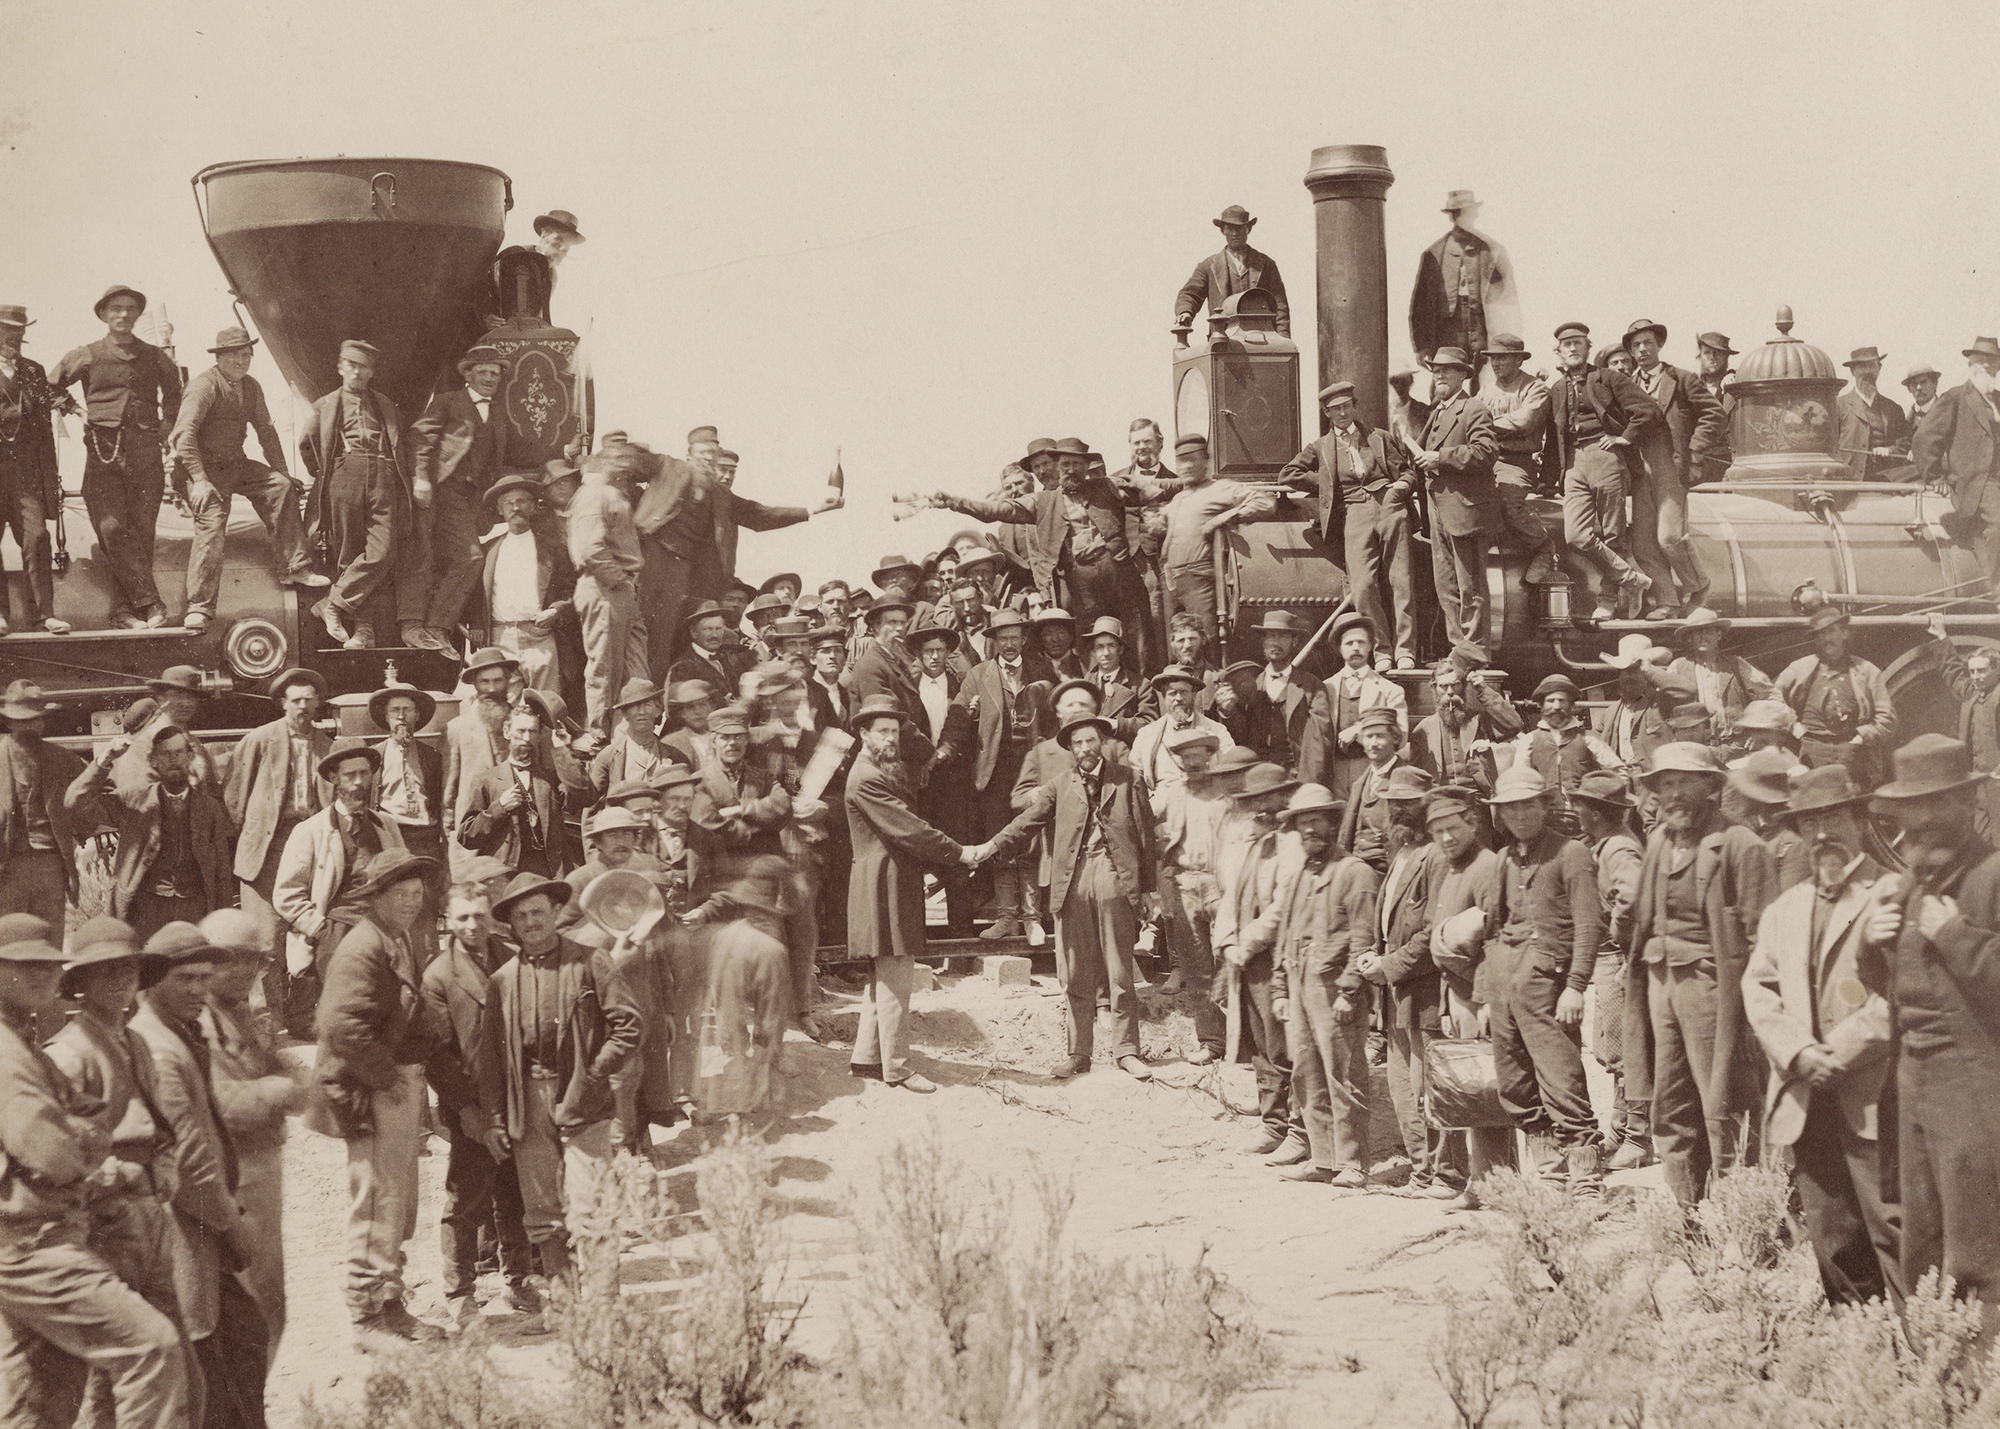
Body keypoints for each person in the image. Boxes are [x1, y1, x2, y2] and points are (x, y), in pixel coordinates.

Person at [0, 913, 191, 1428]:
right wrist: (95, 1150)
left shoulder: (26, 1043)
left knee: (42, 1399)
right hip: (35, 1242)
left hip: (49, 1232)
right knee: (151, 1349)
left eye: (48, 966)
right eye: (23, 966)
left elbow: (90, 1120)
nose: (41, 975)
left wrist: (83, 1136)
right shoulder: (18, 1052)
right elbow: (53, 1152)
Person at [1741, 765, 1901, 1308]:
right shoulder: (1784, 909)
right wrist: (1799, 1052)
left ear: (1859, 818)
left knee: (1894, 1227)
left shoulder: (1892, 893)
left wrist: (1841, 1052)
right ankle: (1856, 1341)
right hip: (1806, 1094)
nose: (1823, 833)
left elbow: (1904, 993)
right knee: (1833, 1235)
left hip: (1875, 1094)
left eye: (1833, 817)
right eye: (1810, 822)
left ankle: (1920, 1345)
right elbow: (1759, 988)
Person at [1860, 734, 2000, 1345]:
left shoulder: (1993, 876)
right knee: (1923, 1235)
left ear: (1965, 804)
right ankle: (1931, 1364)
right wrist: (1872, 945)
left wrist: (1957, 937)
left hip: (1977, 1086)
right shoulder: (1910, 885)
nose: (1920, 824)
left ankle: (1985, 1372)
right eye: (1910, 812)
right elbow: (1893, 988)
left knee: (1979, 1239)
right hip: (1914, 1082)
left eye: (1934, 806)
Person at [1623, 742, 1778, 1206]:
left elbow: (1765, 940)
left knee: (1725, 1104)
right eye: (1666, 784)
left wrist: (1751, 1017)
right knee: (1670, 1105)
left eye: (1684, 782)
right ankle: (1687, 1215)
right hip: (1661, 986)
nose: (1673, 794)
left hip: (1715, 991)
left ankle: (1741, 1216)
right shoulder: (1658, 842)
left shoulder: (1739, 844)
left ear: (1710, 787)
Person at [129, 921, 269, 1423]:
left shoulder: (180, 1033)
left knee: (245, 1342)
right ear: (152, 982)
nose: (198, 990)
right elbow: (189, 1163)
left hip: (201, 1231)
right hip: (184, 1235)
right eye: (184, 979)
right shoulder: (159, 1049)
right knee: (209, 1369)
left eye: (204, 978)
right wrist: (232, 1227)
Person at [474, 872, 639, 1289]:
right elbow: (490, 1057)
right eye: (521, 916)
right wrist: (494, 1118)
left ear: (555, 912)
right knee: (543, 1210)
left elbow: (629, 1025)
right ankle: (565, 1305)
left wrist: (595, 1072)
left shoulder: (591, 961)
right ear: (511, 925)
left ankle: (603, 1306)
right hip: (528, 1098)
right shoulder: (502, 980)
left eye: (538, 912)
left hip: (583, 1097)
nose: (531, 922)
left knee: (592, 1205)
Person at [313, 849, 445, 1344]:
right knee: (375, 1206)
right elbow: (340, 1025)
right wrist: (387, 1078)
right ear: (378, 897)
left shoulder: (394, 937)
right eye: (401, 893)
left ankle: (390, 1305)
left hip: (388, 1085)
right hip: (366, 1091)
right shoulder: (363, 946)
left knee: (396, 1205)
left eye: (417, 893)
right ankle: (367, 1320)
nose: (412, 901)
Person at [1004, 715, 1159, 1082]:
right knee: (1074, 971)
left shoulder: (1128, 779)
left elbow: (1146, 836)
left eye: (1090, 741)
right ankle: (1078, 1053)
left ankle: (1127, 1050)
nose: (1085, 749)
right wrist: (990, 847)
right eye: (1078, 744)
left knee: (1119, 970)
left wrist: (1148, 889)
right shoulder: (1060, 785)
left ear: (1101, 742)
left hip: (1113, 874)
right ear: (1071, 749)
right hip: (1072, 880)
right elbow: (1027, 822)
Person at [845, 696, 984, 1092]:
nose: (890, 738)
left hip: (886, 881)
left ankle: (867, 1057)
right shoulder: (867, 777)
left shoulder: (872, 770)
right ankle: (899, 1068)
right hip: (884, 884)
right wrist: (959, 852)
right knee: (896, 977)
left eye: (894, 731)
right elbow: (910, 829)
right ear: (864, 734)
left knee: (884, 975)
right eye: (881, 732)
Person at [1483, 765, 1606, 1199]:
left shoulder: (1571, 854)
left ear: (1545, 806)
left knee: (1562, 1079)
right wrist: (1490, 988)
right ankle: (1551, 1173)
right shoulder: (1504, 858)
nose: (1519, 815)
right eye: (1510, 808)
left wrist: (1575, 985)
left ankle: (1586, 1178)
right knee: (1515, 1083)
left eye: (1527, 805)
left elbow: (1589, 926)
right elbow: (1494, 926)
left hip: (1548, 986)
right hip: (1506, 983)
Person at [418, 884, 536, 1328]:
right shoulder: (438, 975)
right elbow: (438, 1055)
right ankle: (459, 1293)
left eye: (480, 916)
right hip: (471, 1104)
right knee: (466, 1199)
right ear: (448, 921)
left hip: (517, 1099)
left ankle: (518, 1279)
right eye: (463, 917)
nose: (472, 925)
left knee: (515, 1193)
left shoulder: (515, 956)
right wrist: (467, 1110)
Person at [197, 908, 307, 1366]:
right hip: (234, 1176)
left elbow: (289, 1078)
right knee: (251, 1307)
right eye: (231, 958)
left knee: (268, 1300)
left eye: (253, 960)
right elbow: (229, 1106)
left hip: (261, 1168)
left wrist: (284, 1083)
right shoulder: (200, 1022)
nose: (244, 969)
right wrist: (282, 1089)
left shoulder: (240, 1012)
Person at [171, 326, 321, 633]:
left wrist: (282, 471)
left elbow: (266, 430)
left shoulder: (251, 386)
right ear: (219, 357)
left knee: (280, 487)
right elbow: (183, 436)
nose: (242, 361)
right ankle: (199, 607)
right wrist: (199, 480)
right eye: (234, 355)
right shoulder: (204, 387)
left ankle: (294, 567)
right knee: (212, 526)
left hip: (234, 464)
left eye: (247, 355)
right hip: (201, 470)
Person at [1264, 783, 1379, 1187]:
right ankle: (1323, 1158)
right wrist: (1281, 988)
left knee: (1344, 1074)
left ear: (1333, 823)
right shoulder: (1300, 874)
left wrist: (1350, 990)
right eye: (1302, 823)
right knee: (1306, 1073)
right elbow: (1285, 934)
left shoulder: (1355, 872)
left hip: (1334, 989)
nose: (1309, 829)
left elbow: (1363, 938)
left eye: (1316, 821)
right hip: (1300, 984)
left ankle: (1353, 1163)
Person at [50, 286, 181, 630]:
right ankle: (150, 603)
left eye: (130, 309)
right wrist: (76, 410)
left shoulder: (154, 356)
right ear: (103, 315)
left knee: (142, 533)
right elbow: (48, 386)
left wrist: (166, 426)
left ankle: (123, 613)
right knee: (111, 528)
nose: (123, 314)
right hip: (102, 453)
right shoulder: (87, 354)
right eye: (116, 309)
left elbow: (175, 393)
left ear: (137, 315)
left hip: (146, 454)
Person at [1359, 765, 1452, 1196]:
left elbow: (1433, 932)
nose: (1398, 810)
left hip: (1427, 992)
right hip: (1397, 993)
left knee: (1426, 1088)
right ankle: (1422, 1171)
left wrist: (1390, 964)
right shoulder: (1401, 853)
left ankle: (1446, 1173)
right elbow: (1391, 921)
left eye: (1408, 804)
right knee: (1401, 1089)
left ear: (1427, 806)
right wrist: (1374, 953)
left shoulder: (1436, 856)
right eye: (1392, 803)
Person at [1278, 382, 1418, 668]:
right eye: (1335, 409)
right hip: (1354, 512)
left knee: (1401, 580)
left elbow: (1407, 472)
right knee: (1363, 585)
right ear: (1327, 414)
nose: (1342, 413)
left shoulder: (1379, 437)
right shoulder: (1320, 447)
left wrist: (1401, 488)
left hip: (1390, 506)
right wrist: (1326, 482)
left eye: (1346, 407)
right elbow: (1288, 474)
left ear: (1355, 407)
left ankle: (1405, 650)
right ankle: (1381, 650)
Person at [272, 737, 408, 1032]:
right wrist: (319, 929)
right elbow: (286, 894)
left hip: (380, 926)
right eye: (350, 775)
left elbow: (404, 878)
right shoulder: (311, 830)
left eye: (364, 774)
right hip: (333, 930)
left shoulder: (387, 827)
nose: (359, 782)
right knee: (342, 1015)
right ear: (334, 778)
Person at [223, 668, 330, 1030]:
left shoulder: (326, 745)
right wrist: (244, 845)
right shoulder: (259, 740)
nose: (303, 706)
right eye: (296, 700)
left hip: (310, 844)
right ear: (283, 703)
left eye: (309, 699)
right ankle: (268, 1021)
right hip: (267, 848)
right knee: (265, 938)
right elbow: (234, 798)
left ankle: (302, 1015)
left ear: (318, 702)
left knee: (307, 932)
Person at [1211, 759, 1307, 1161]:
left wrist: (1248, 942)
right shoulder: (1257, 843)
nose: (1262, 810)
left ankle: (1298, 1130)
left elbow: (1284, 906)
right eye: (1256, 802)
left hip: (1279, 959)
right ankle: (1273, 1122)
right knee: (1260, 1043)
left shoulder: (1294, 844)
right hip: (1247, 960)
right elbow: (1232, 898)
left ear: (1285, 798)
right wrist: (1226, 942)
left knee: (1285, 1044)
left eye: (1270, 800)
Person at [65, 723, 234, 940]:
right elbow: (74, 802)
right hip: (145, 909)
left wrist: (222, 922)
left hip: (195, 908)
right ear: (153, 760)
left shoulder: (210, 808)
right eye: (165, 754)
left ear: (190, 757)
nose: (173, 759)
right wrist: (105, 760)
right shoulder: (134, 801)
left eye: (178, 752)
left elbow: (221, 872)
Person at [300, 339, 417, 650]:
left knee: (383, 551)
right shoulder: (324, 405)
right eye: (351, 365)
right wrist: (332, 474)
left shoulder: (386, 405)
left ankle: (333, 604)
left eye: (363, 367)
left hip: (383, 475)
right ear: (340, 367)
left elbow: (400, 444)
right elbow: (307, 445)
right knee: (349, 555)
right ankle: (364, 631)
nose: (356, 372)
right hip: (345, 475)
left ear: (371, 372)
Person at [1543, 322, 1660, 620]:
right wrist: (1547, 479)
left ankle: (1607, 601)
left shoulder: (1608, 378)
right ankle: (1632, 580)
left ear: (1587, 348)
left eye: (1578, 343)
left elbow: (1648, 410)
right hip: (1573, 462)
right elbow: (1553, 438)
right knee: (1576, 536)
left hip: (1605, 455)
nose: (1572, 348)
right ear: (1558, 351)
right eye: (1567, 344)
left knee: (1613, 535)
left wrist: (1624, 437)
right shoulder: (1557, 389)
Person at [1569, 771, 1652, 1170]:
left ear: (1597, 813)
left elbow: (1632, 896)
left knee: (1629, 1051)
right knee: (1613, 1047)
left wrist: (1621, 939)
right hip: (1611, 957)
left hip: (1618, 958)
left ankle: (1639, 1137)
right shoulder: (1605, 843)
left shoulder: (1618, 848)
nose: (1575, 812)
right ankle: (1621, 1129)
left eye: (1581, 806)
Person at [409, 345, 515, 651]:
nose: (490, 378)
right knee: (471, 558)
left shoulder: (498, 412)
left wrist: (566, 450)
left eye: (495, 373)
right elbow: (420, 438)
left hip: (473, 501)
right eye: (483, 372)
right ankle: (437, 627)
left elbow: (517, 449)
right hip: (444, 492)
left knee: (467, 559)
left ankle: (442, 626)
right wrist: (420, 478)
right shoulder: (447, 402)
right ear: (468, 374)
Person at [957, 609, 1053, 940]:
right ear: (994, 642)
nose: (1009, 644)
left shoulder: (1041, 671)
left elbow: (1053, 720)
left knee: (1030, 842)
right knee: (1000, 843)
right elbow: (960, 718)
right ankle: (1006, 917)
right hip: (994, 774)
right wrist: (972, 715)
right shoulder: (978, 674)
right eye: (1003, 639)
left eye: (1014, 638)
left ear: (1024, 640)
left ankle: (1032, 918)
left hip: (1031, 770)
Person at [1621, 319, 1720, 612]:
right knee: (1642, 545)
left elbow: (1714, 415)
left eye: (1648, 343)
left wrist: (1695, 451)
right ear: (1630, 351)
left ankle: (1699, 585)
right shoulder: (1625, 385)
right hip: (1640, 471)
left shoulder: (1682, 379)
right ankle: (1667, 601)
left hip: (1671, 468)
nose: (1642, 349)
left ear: (1659, 345)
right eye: (1636, 345)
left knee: (1669, 538)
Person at [1155, 434, 1282, 645]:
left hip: (1199, 579)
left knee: (1206, 642)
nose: (1186, 466)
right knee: (1175, 647)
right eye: (1181, 460)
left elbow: (1265, 502)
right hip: (1170, 582)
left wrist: (1225, 518)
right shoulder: (1178, 498)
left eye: (1192, 459)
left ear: (1205, 460)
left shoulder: (1221, 488)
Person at [1150, 726, 1229, 1063]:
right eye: (1186, 759)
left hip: (1221, 886)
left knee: (1229, 962)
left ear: (1210, 756)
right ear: (1179, 762)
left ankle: (1243, 1042)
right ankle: (1212, 1041)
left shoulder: (1226, 792)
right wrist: (1159, 844)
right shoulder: (1173, 793)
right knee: (1197, 969)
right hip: (1184, 884)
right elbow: (1139, 815)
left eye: (1198, 757)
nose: (1193, 764)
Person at [1414, 346, 1501, 649]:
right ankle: (1459, 651)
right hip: (1438, 509)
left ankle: (1476, 652)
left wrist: (1440, 458)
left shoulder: (1473, 408)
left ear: (1463, 375)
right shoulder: (1437, 411)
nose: (1439, 375)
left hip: (1465, 512)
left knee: (1470, 587)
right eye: (1436, 370)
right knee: (1446, 586)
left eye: (1447, 370)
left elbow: (1486, 452)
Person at [568, 445, 649, 739]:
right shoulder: (595, 493)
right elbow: (590, 548)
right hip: (604, 587)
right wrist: (619, 581)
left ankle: (629, 737)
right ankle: (599, 737)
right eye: (621, 460)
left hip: (621, 588)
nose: (628, 466)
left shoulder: (613, 494)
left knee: (635, 670)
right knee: (605, 669)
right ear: (605, 463)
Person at [0, 303, 70, 635]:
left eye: (19, 331)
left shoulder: (33, 371)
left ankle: (45, 615)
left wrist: (49, 480)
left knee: (37, 537)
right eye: (6, 330)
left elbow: (46, 422)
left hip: (25, 476)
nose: (13, 337)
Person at [1912, 338, 2000, 599]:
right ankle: (1997, 590)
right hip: (1975, 483)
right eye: (1981, 361)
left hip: (1996, 479)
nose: (1987, 365)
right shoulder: (1956, 397)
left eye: (1992, 361)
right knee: (1999, 521)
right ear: (1970, 365)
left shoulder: (1998, 400)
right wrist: (1935, 476)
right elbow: (1924, 438)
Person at [459, 705, 590, 878]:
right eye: (521, 731)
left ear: (539, 735)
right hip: (506, 874)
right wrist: (499, 808)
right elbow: (467, 837)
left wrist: (563, 750)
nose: (527, 738)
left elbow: (584, 795)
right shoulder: (486, 780)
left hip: (549, 872)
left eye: (532, 731)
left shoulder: (551, 778)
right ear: (507, 732)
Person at [1774, 607, 1896, 786]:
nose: (1827, 639)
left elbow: (1888, 718)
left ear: (1845, 633)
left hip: (1852, 753)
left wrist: (1861, 738)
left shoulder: (1867, 671)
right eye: (1821, 634)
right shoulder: (1799, 669)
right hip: (1810, 753)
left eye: (1832, 631)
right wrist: (1792, 725)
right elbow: (1771, 699)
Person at [475, 473, 574, 691]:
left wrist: (556, 610)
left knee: (546, 702)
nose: (515, 508)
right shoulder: (488, 550)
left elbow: (571, 589)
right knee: (502, 702)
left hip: (540, 636)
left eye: (521, 501)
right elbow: (475, 594)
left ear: (532, 506)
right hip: (500, 638)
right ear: (500, 510)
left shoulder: (553, 549)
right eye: (508, 503)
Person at [1479, 334, 1564, 583]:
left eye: (1503, 358)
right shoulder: (1485, 391)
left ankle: (1543, 547)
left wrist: (1482, 427)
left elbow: (1524, 421)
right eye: (1493, 358)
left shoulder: (1535, 388)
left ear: (1518, 359)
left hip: (1516, 462)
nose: (1496, 363)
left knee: (1508, 500)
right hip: (1485, 459)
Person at [0, 679, 85, 927]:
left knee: (49, 935)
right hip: (7, 865)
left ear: (43, 721)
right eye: (21, 720)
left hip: (50, 864)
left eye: (34, 719)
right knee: (9, 938)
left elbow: (94, 790)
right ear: (9, 722)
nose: (28, 726)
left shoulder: (62, 759)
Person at [1299, 612, 1407, 804]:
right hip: (1335, 772)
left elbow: (1401, 735)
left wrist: (1359, 731)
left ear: (1370, 646)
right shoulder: (1325, 688)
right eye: (1349, 643)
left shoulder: (1390, 690)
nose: (1355, 648)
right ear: (1340, 649)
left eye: (1361, 642)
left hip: (1372, 769)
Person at [1506, 674, 1623, 837]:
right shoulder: (1529, 740)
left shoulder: (1588, 738)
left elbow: (1619, 773)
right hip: (1544, 825)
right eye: (1550, 701)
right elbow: (1519, 782)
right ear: (1541, 705)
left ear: (1571, 705)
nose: (1556, 706)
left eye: (1562, 701)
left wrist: (1602, 805)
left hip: (1585, 826)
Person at [441, 647, 520, 867]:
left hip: (517, 838)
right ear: (475, 684)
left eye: (498, 681)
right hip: (474, 838)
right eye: (485, 682)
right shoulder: (457, 729)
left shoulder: (524, 724)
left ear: (508, 681)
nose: (492, 688)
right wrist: (451, 838)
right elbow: (448, 793)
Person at [1922, 613, 2000, 834]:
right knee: (1983, 838)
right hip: (1980, 785)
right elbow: (1954, 673)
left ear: (1997, 670)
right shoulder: (1973, 694)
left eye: (1981, 671)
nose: (1975, 676)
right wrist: (1941, 637)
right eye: (1972, 671)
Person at [1409, 652, 1522, 801]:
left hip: (1477, 800)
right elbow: (1415, 778)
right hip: (1440, 801)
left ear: (1463, 686)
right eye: (1443, 686)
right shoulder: (1423, 730)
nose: (1450, 692)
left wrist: (1483, 689)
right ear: (1434, 689)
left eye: (1455, 685)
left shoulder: (1479, 721)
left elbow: (1514, 725)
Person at [1410, 190, 1502, 364]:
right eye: (1459, 214)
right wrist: (1421, 346)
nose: (1465, 218)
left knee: (1480, 370)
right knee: (1448, 368)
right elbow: (1420, 304)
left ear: (1475, 215)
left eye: (1469, 213)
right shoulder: (1435, 253)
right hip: (1448, 328)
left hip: (1480, 326)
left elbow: (1502, 300)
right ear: (1452, 217)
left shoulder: (1489, 250)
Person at [1174, 204, 1289, 339]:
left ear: (1248, 229)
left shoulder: (1267, 264)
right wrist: (1185, 312)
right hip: (1223, 339)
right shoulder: (1208, 266)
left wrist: (1283, 337)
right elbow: (1190, 294)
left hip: (1262, 339)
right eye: (1230, 228)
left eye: (1240, 228)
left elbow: (1280, 304)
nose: (1235, 233)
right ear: (1223, 231)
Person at [114, 665, 221, 802]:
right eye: (178, 695)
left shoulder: (193, 742)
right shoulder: (146, 742)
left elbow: (209, 790)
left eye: (191, 697)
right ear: (161, 700)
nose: (186, 703)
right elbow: (136, 798)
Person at [1668, 608, 1774, 742]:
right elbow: (1662, 705)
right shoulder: (1678, 667)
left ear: (1718, 635)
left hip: (1734, 745)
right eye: (1697, 632)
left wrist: (1759, 730)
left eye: (1708, 631)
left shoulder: (1736, 664)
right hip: (1696, 745)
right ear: (1690, 638)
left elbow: (1770, 695)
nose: (1703, 637)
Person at [1337, 707, 1410, 875]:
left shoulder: (1407, 778)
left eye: (1380, 736)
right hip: (1355, 866)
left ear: (1395, 738)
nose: (1373, 743)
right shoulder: (1360, 784)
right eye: (1369, 737)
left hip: (1389, 869)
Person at [1837, 346, 1912, 481]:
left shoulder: (1893, 408)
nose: (1867, 371)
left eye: (1872, 366)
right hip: (1849, 480)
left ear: (1879, 368)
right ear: (1852, 371)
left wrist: (1890, 450)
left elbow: (1905, 443)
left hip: (1886, 480)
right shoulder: (1839, 406)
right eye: (1862, 367)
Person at [588, 679, 670, 799]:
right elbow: (591, 801)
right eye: (635, 707)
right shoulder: (608, 756)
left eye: (648, 705)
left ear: (657, 711)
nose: (641, 712)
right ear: (625, 714)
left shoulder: (673, 755)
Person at [1693, 332, 1739, 483]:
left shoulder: (1735, 385)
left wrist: (1733, 376)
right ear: (1699, 356)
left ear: (1726, 357)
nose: (1712, 357)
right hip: (1697, 464)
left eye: (1718, 353)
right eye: (1707, 353)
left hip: (1729, 463)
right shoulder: (1690, 387)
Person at [1903, 362, 1941, 429]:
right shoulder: (1906, 421)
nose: (1919, 387)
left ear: (1935, 384)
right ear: (1909, 389)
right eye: (1914, 384)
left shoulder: (1947, 412)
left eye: (1923, 382)